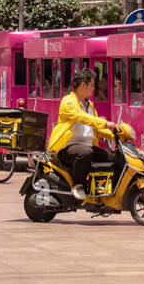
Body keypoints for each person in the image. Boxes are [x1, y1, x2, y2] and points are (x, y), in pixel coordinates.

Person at [48, 68, 118, 201]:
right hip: (67, 148)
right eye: (92, 85)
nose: (94, 88)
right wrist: (104, 123)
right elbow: (82, 117)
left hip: (87, 146)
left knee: (114, 157)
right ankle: (78, 185)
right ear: (83, 85)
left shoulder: (89, 105)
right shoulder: (68, 102)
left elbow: (97, 128)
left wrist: (116, 135)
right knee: (86, 153)